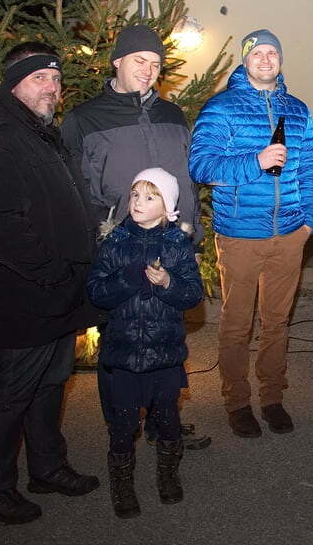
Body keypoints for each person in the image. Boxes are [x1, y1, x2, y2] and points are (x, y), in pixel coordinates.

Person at [0, 42, 100, 525]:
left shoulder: (44, 134)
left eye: (57, 79)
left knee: (52, 382)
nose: (52, 87)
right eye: (40, 77)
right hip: (27, 294)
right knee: (15, 391)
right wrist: (53, 274)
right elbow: (3, 228)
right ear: (13, 84)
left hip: (62, 291)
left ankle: (47, 467)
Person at [61, 24, 209, 451]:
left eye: (156, 64)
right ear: (117, 62)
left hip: (171, 247)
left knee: (166, 337)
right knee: (120, 345)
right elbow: (75, 191)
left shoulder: (172, 115)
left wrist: (191, 234)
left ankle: (166, 423)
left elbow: (186, 183)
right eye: (139, 61)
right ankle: (122, 430)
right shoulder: (85, 119)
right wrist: (101, 242)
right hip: (118, 251)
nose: (148, 70)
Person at [189, 29, 313, 438]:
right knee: (236, 324)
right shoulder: (222, 107)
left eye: (272, 53)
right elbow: (201, 166)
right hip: (240, 234)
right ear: (245, 60)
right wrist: (256, 161)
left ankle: (272, 397)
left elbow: (311, 169)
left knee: (277, 322)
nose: (265, 59)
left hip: (290, 234)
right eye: (257, 53)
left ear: (280, 59)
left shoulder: (297, 111)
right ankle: (237, 402)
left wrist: (308, 222)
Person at [87, 168, 203, 519]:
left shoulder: (178, 245)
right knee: (122, 426)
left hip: (163, 353)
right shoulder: (115, 242)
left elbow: (192, 295)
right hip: (121, 354)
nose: (138, 202)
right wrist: (126, 279)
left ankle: (167, 473)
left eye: (150, 197)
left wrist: (168, 283)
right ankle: (122, 484)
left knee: (167, 420)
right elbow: (96, 292)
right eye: (135, 194)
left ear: (167, 206)